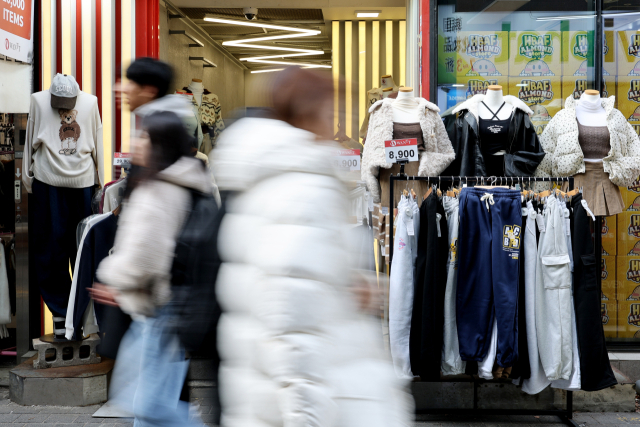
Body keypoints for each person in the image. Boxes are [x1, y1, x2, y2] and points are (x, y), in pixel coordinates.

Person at [212, 67, 412, 427]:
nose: (334, 123)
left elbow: (288, 290)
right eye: (330, 111)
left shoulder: (262, 184)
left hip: (277, 395)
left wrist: (347, 286)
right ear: (309, 113)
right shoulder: (302, 191)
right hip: (319, 401)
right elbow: (293, 327)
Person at [90, 111, 212, 427]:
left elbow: (145, 260)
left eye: (144, 136)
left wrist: (109, 274)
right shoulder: (186, 181)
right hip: (163, 308)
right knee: (145, 404)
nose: (136, 141)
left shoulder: (158, 190)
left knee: (149, 405)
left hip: (156, 310)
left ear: (160, 145)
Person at [117, 57, 220, 205]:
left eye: (131, 82)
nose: (122, 89)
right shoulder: (155, 122)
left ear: (149, 90)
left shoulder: (165, 132)